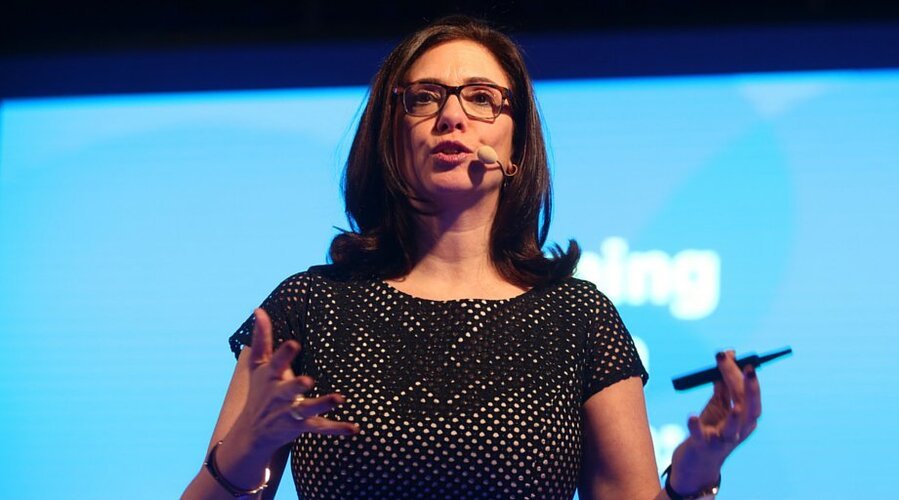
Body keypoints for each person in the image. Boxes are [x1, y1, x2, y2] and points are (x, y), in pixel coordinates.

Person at [182, 15, 761, 500]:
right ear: (391, 138)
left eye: (482, 98)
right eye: (424, 97)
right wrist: (247, 448)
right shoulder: (309, 307)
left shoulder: (577, 317)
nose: (451, 116)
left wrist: (693, 477)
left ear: (517, 147)